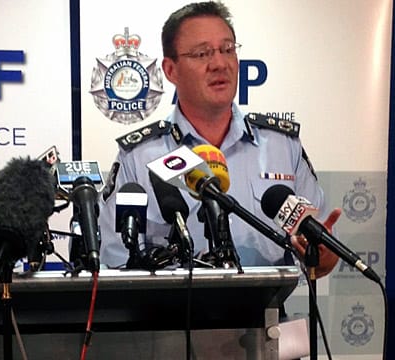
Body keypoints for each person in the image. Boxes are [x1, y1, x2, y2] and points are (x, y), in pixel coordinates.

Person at [99, 1, 340, 277]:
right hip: (173, 317)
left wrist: (322, 254)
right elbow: (116, 259)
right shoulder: (139, 156)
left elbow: (319, 256)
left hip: (265, 316)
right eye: (202, 53)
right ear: (170, 70)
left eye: (227, 50)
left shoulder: (281, 146)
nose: (219, 64)